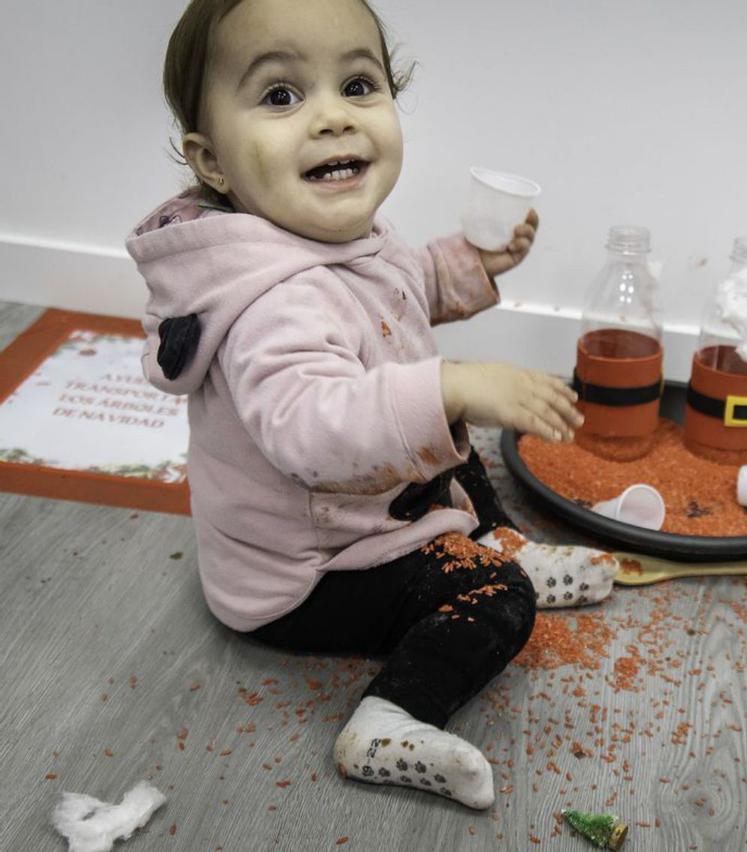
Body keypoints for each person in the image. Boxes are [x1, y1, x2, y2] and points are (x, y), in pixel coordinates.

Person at [127, 0, 617, 810]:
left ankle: (494, 538)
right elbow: (314, 433)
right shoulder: (270, 302)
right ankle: (392, 718)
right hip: (305, 573)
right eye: (281, 97)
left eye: (357, 84)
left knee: (458, 451)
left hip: (361, 509)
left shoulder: (331, 236)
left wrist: (470, 262)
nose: (329, 118)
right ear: (211, 160)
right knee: (496, 599)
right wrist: (450, 383)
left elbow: (400, 290)